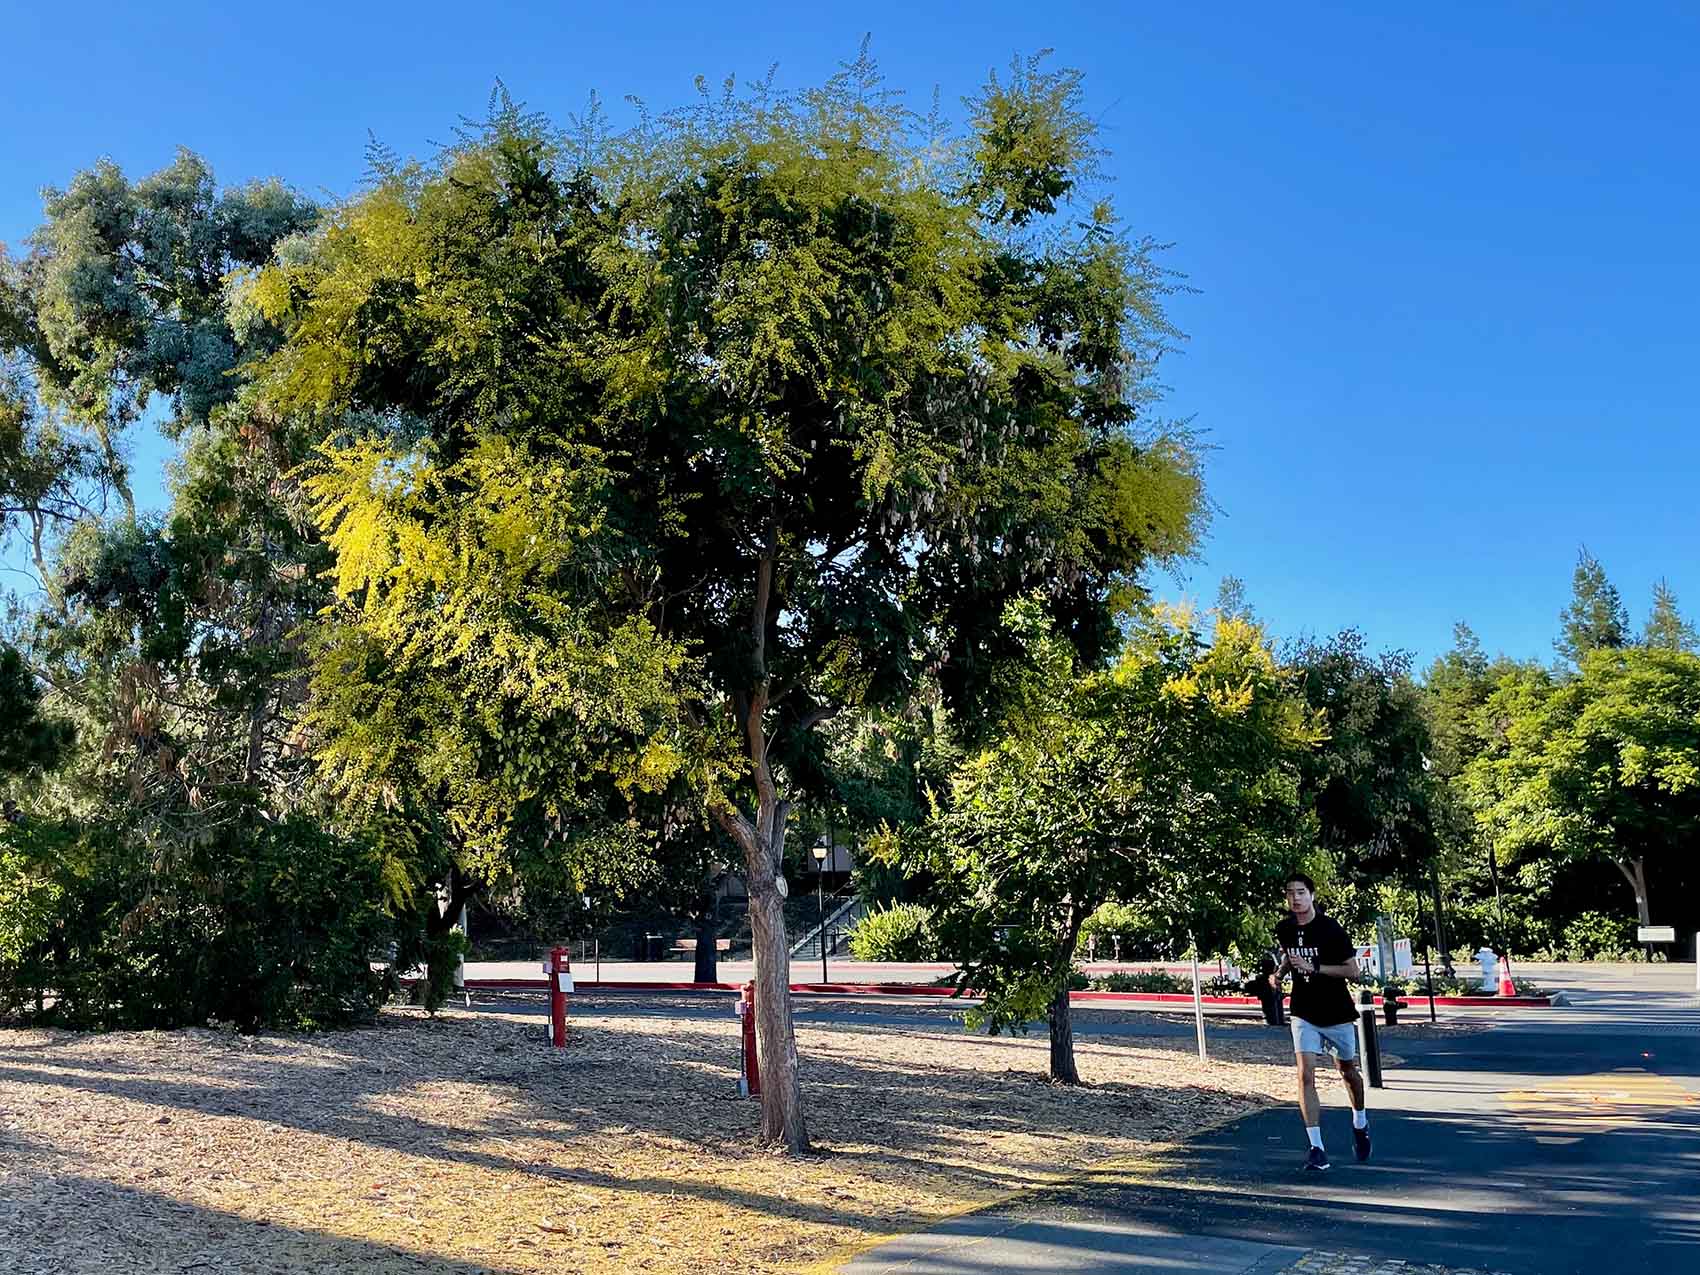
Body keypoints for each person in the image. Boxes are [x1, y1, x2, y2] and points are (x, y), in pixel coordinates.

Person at [1271, 874, 1370, 1170]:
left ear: (1312, 895)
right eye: (1290, 893)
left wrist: (1314, 967)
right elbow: (1290, 957)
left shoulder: (1331, 929)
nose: (1295, 898)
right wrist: (1279, 974)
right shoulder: (1285, 929)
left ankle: (1360, 1122)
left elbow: (1353, 972)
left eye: (1301, 892)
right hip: (1303, 1010)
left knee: (1347, 1071)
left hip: (1337, 1011)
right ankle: (1316, 1148)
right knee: (1305, 1074)